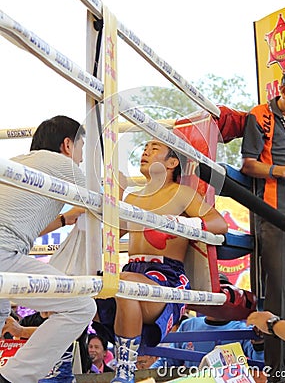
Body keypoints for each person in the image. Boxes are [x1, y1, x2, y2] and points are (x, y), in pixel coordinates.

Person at [96, 139, 228, 383]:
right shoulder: (133, 199)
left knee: (125, 285)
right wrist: (115, 196)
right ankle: (64, 369)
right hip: (131, 272)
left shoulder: (181, 193)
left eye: (154, 148)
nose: (145, 151)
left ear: (172, 162)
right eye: (144, 147)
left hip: (166, 277)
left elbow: (220, 224)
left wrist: (178, 225)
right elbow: (108, 236)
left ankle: (124, 372)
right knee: (83, 293)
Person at [0, 115, 96, 383]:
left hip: (8, 254)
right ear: (68, 144)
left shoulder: (21, 164)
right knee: (81, 306)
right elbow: (103, 200)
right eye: (81, 148)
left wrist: (65, 218)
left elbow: (24, 225)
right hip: (5, 255)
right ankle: (12, 378)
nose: (80, 158)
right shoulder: (63, 165)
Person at [241, 64, 285, 382]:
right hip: (277, 214)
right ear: (284, 90)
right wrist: (284, 171)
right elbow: (248, 164)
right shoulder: (260, 115)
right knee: (281, 294)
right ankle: (279, 374)